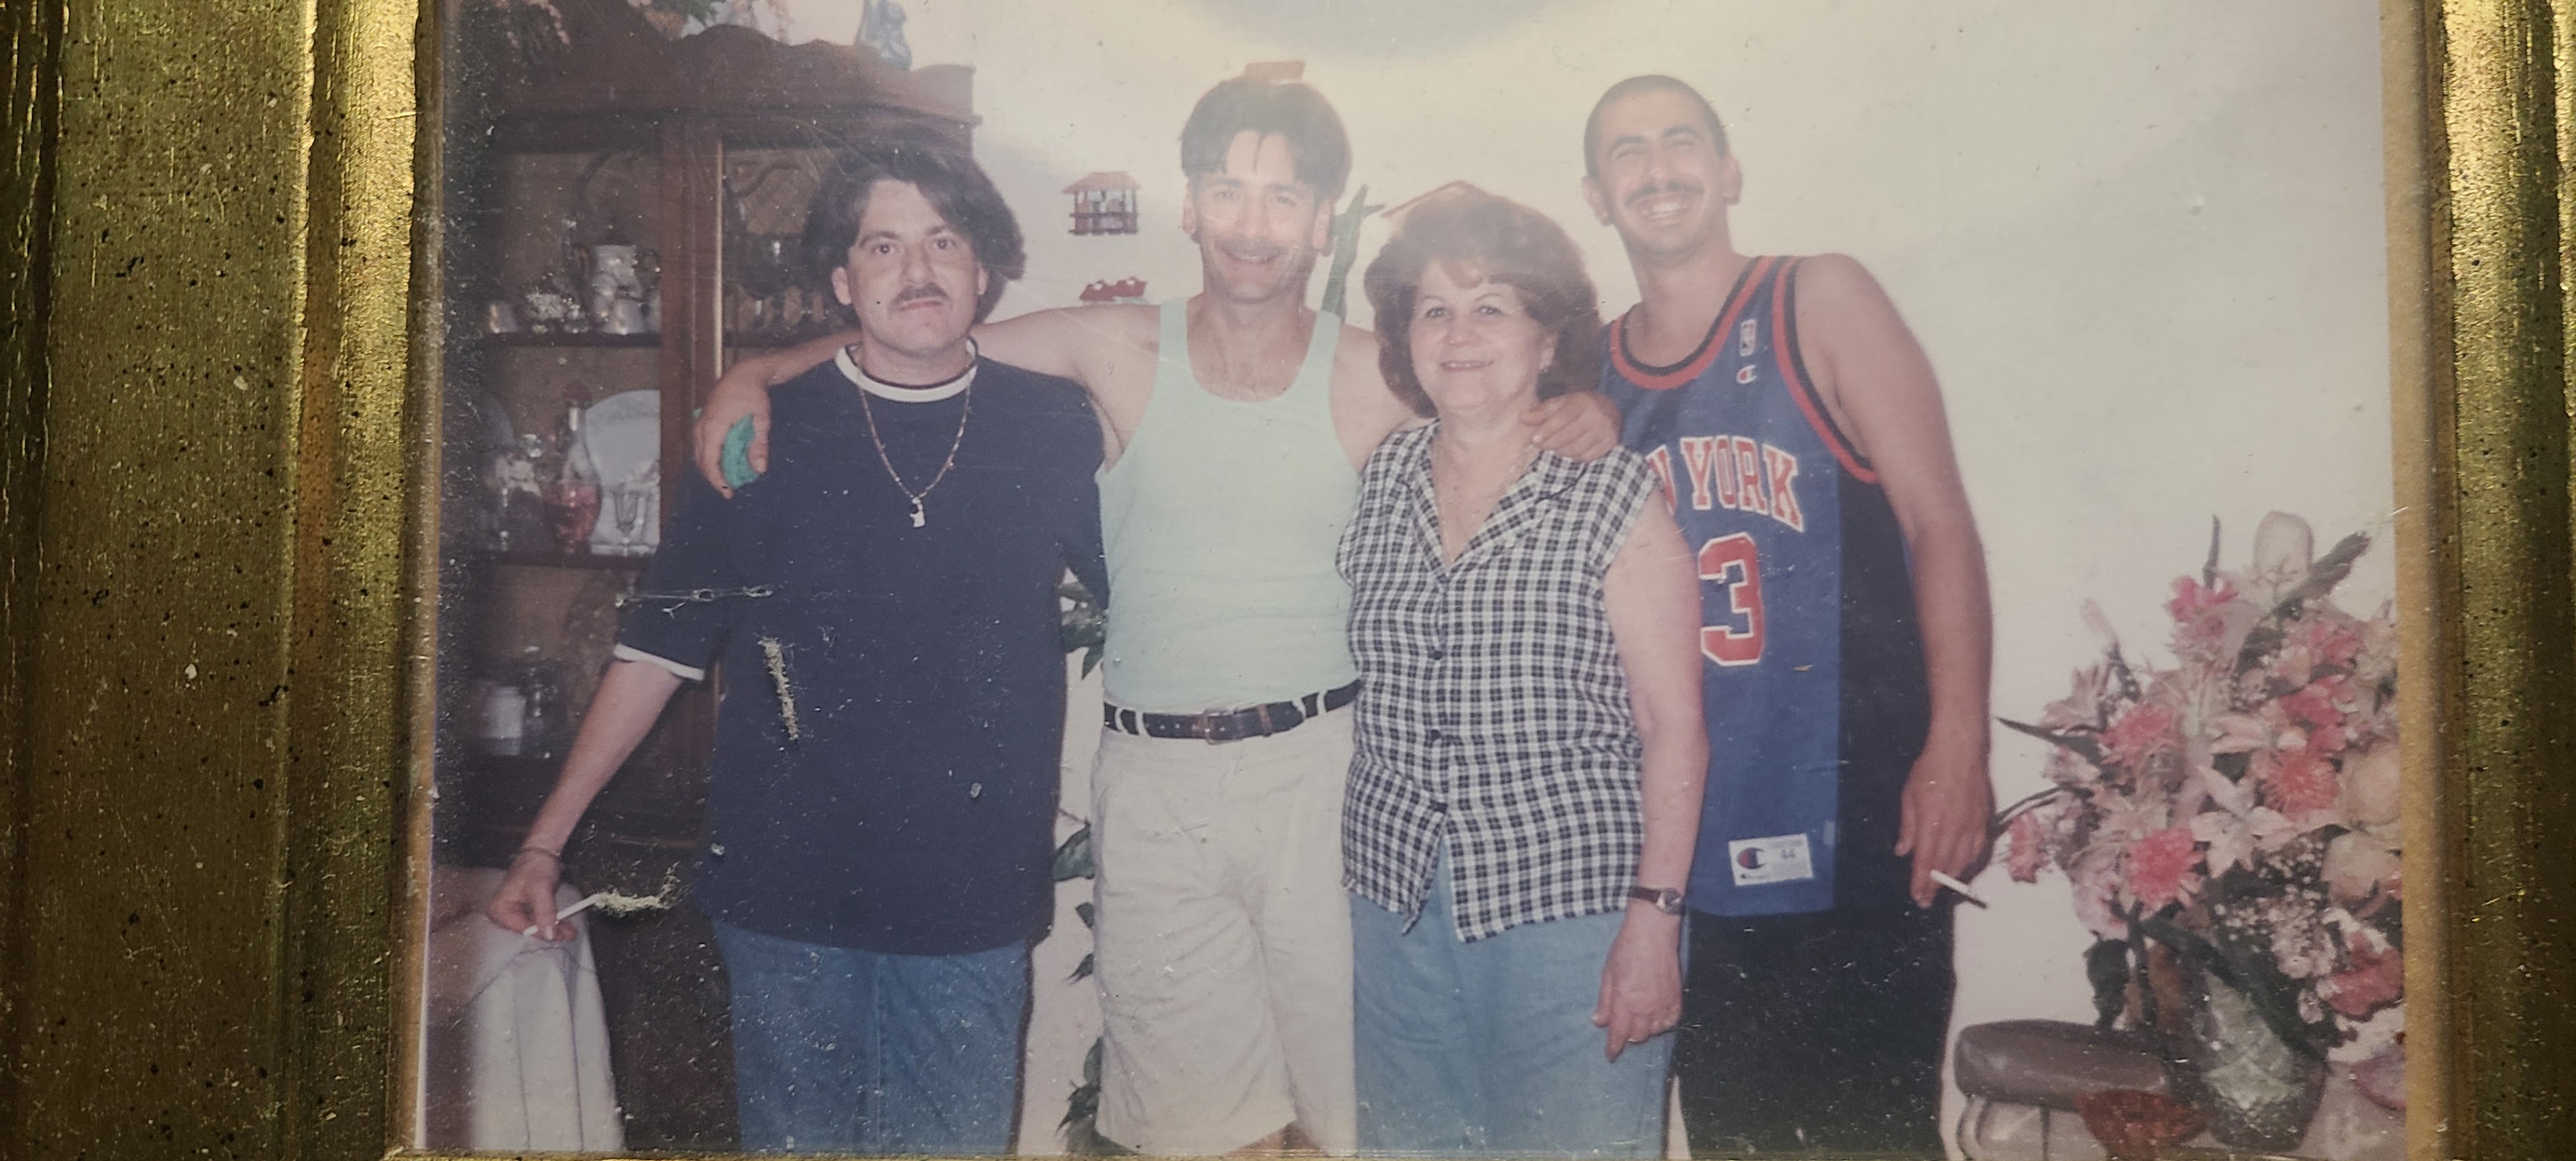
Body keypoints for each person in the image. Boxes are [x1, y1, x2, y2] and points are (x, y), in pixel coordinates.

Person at [687, 76, 1621, 1157]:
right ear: (1190, 207)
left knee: (1352, 1115)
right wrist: (752, 370)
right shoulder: (1111, 344)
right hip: (1156, 784)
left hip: (1322, 775)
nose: (1253, 225)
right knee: (1196, 1130)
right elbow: (915, 345)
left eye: (1283, 198)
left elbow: (1508, 388)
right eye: (1228, 191)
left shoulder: (1379, 367)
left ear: (1321, 220)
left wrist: (1590, 403)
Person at [484, 138, 1106, 1156]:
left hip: (970, 896)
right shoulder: (761, 432)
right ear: (841, 281)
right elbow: (659, 644)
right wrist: (543, 843)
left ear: (984, 268)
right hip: (789, 894)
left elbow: (1145, 592)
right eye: (883, 245)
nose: (917, 270)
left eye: (944, 240)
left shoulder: (1052, 428)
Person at [1580, 74, 1996, 1155]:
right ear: (1595, 194)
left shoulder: (1819, 298)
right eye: (1627, 151)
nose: (1658, 168)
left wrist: (1959, 742)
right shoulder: (1590, 372)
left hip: (1855, 815)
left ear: (1727, 172)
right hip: (1691, 848)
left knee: (1874, 1137)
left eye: (1681, 142)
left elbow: (1938, 525)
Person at [1338, 187, 1706, 1158]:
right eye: (1435, 308)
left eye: (1492, 305)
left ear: (1547, 340)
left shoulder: (1612, 491)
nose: (1460, 333)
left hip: (1569, 913)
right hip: (1397, 906)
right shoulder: (1381, 476)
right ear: (1406, 339)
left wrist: (1654, 925)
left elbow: (1674, 728)